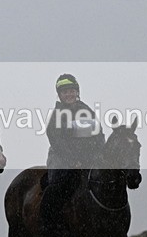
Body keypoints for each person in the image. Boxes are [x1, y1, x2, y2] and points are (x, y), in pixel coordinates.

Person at [43, 74, 105, 206]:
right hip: (62, 159)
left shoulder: (87, 111)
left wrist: (99, 154)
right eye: (65, 92)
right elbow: (57, 141)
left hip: (88, 159)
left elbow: (99, 134)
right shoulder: (56, 115)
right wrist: (73, 160)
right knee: (57, 184)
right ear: (60, 95)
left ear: (77, 92)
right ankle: (49, 221)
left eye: (71, 91)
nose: (69, 94)